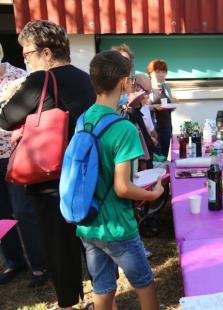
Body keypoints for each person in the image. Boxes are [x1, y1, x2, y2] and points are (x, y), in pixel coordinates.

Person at [0, 20, 95, 309]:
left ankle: (67, 303)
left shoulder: (40, 80)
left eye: (27, 53)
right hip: (85, 170)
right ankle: (103, 298)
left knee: (58, 241)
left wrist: (10, 94)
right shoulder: (84, 78)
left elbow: (6, 119)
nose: (25, 59)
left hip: (50, 175)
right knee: (89, 240)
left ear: (46, 53)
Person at [77, 50, 163, 310]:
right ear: (124, 82)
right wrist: (153, 194)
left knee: (102, 288)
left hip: (88, 223)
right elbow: (123, 187)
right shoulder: (123, 127)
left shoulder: (84, 118)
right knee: (145, 283)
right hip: (117, 226)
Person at [0, 43, 48, 288]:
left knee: (23, 210)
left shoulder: (20, 77)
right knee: (2, 214)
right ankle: (13, 260)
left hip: (17, 154)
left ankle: (40, 265)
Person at [146, 59, 179, 158]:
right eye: (157, 71)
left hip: (166, 126)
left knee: (164, 156)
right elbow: (142, 108)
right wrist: (153, 107)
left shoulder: (166, 87)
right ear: (150, 73)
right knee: (155, 157)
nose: (161, 74)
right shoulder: (147, 88)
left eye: (163, 71)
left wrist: (173, 104)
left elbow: (169, 107)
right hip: (153, 128)